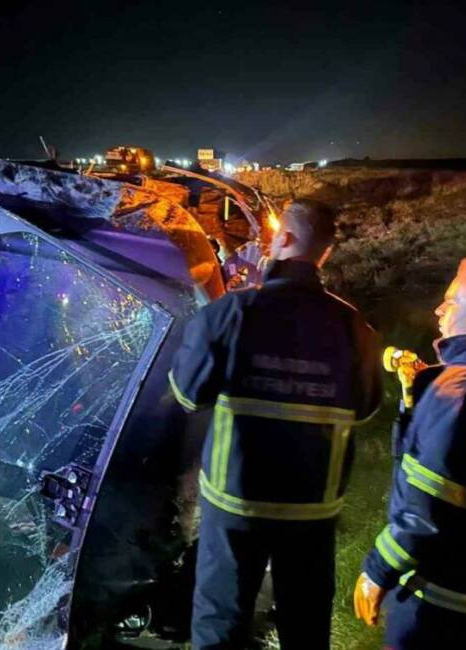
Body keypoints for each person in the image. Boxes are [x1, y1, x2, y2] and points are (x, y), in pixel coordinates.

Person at [168, 198, 382, 649]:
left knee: (221, 625)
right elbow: (365, 408)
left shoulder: (232, 313)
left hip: (236, 504)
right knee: (305, 627)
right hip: (312, 511)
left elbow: (188, 394)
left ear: (283, 239)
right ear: (324, 253)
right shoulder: (353, 326)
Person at [353, 256, 466, 650]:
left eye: (451, 302)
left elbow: (426, 505)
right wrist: (419, 394)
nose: (439, 309)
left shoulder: (459, 390)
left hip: (440, 592)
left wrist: (378, 570)